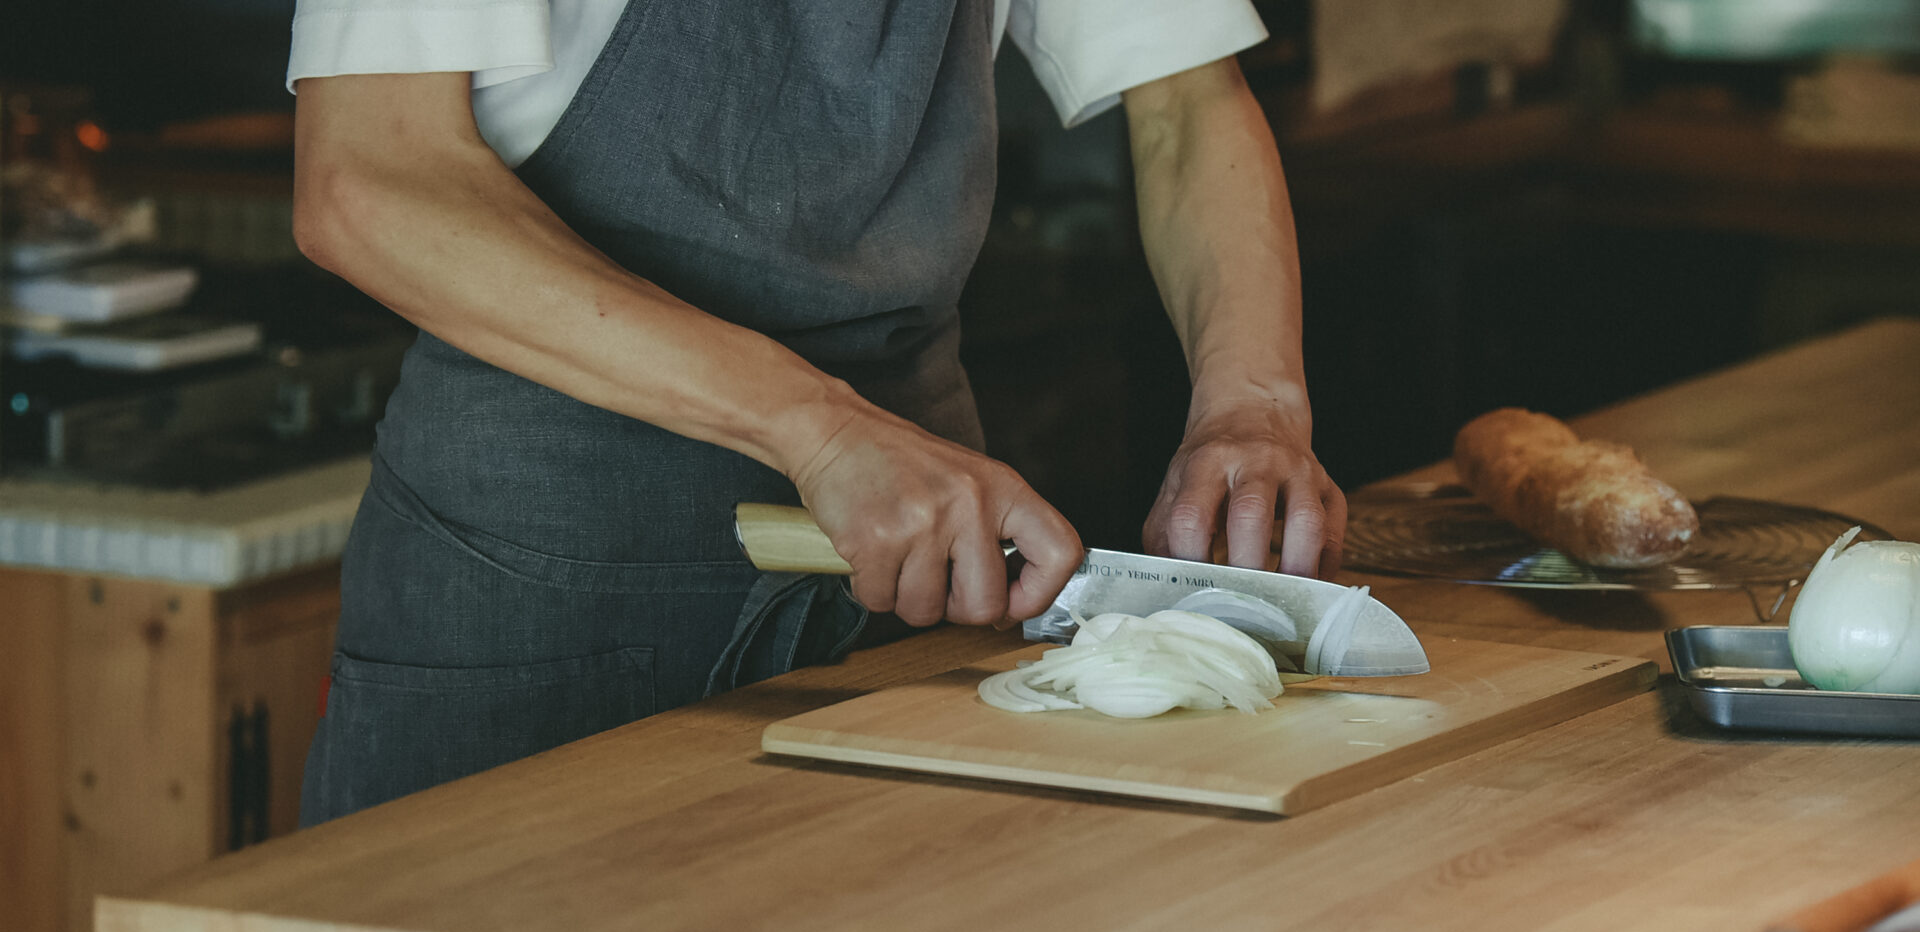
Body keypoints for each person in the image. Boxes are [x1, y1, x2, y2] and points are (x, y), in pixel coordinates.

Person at [291, 0, 1347, 824]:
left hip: (908, 588)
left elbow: (1188, 106)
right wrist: (822, 432)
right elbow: (371, 179)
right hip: (538, 590)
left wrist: (1251, 404)